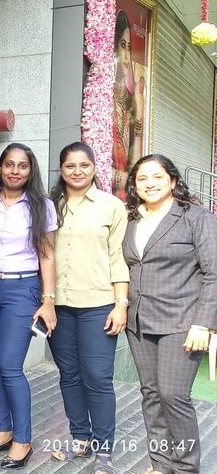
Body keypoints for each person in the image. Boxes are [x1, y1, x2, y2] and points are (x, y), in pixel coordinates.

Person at [123, 154, 216, 474]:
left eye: (157, 177)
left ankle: (186, 468)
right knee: (151, 394)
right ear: (134, 185)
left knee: (174, 395)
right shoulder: (132, 219)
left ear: (173, 180)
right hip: (139, 322)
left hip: (182, 321)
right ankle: (161, 465)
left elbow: (214, 273)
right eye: (142, 178)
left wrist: (203, 324)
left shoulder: (196, 218)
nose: (150, 184)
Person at [47, 142, 129, 474]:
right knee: (69, 375)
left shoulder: (111, 206)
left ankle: (104, 452)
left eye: (84, 165)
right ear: (61, 169)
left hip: (98, 305)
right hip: (59, 307)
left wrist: (121, 304)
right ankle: (80, 438)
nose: (77, 171)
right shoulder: (51, 206)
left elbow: (118, 257)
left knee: (97, 377)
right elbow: (42, 255)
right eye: (70, 166)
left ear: (95, 168)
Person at [0, 143, 57, 470]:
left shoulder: (42, 206)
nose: (15, 171)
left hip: (22, 289)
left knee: (10, 365)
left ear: (30, 170)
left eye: (22, 166)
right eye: (9, 164)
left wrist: (48, 301)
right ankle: (3, 430)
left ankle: (23, 439)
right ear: (0, 167)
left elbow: (47, 255)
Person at [113, 9, 145, 198]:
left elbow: (135, 162)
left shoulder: (128, 102)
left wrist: (139, 109)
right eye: (122, 45)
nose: (126, 57)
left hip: (125, 193)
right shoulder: (102, 98)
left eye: (129, 48)